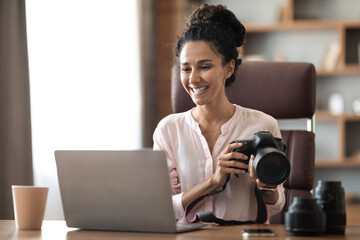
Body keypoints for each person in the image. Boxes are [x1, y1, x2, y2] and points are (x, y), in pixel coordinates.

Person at [153, 3, 285, 223]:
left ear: (229, 68)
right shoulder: (168, 129)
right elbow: (163, 206)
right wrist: (212, 182)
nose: (193, 79)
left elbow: (277, 204)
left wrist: (266, 185)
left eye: (204, 67)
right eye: (186, 68)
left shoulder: (263, 125)